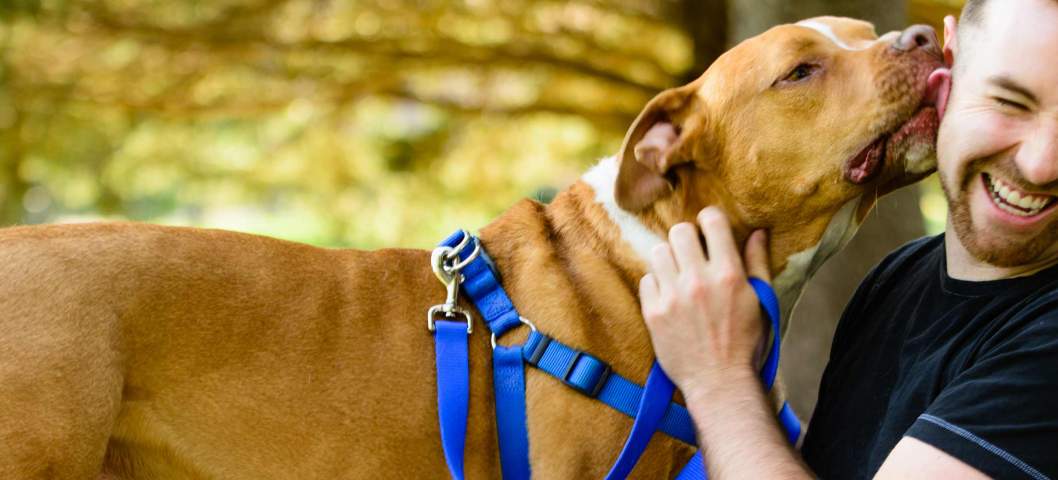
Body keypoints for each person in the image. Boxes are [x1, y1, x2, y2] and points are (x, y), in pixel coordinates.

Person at [639, 0, 1058, 477]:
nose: (1041, 164)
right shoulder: (896, 281)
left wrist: (717, 379)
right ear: (951, 63)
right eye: (1009, 102)